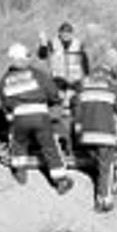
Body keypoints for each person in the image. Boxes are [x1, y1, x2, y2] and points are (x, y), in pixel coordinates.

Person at [0, 43, 73, 194]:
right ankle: (60, 181)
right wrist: (55, 102)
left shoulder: (4, 80)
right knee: (49, 146)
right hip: (40, 115)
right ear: (22, 58)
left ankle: (20, 173)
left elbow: (4, 101)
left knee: (18, 144)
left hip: (18, 117)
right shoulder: (37, 74)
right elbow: (52, 92)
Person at [71, 64, 117, 212]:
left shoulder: (83, 87)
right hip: (105, 134)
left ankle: (114, 183)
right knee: (106, 166)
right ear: (107, 75)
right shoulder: (111, 87)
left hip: (87, 135)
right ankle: (104, 200)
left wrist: (78, 126)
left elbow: (76, 109)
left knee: (101, 162)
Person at [37, 22, 90, 153]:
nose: (66, 35)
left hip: (75, 83)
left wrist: (86, 78)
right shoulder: (53, 43)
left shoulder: (78, 44)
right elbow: (42, 55)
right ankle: (60, 139)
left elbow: (85, 62)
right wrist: (43, 43)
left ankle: (77, 141)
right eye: (63, 33)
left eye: (68, 33)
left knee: (77, 112)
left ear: (72, 34)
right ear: (59, 33)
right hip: (58, 82)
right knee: (57, 112)